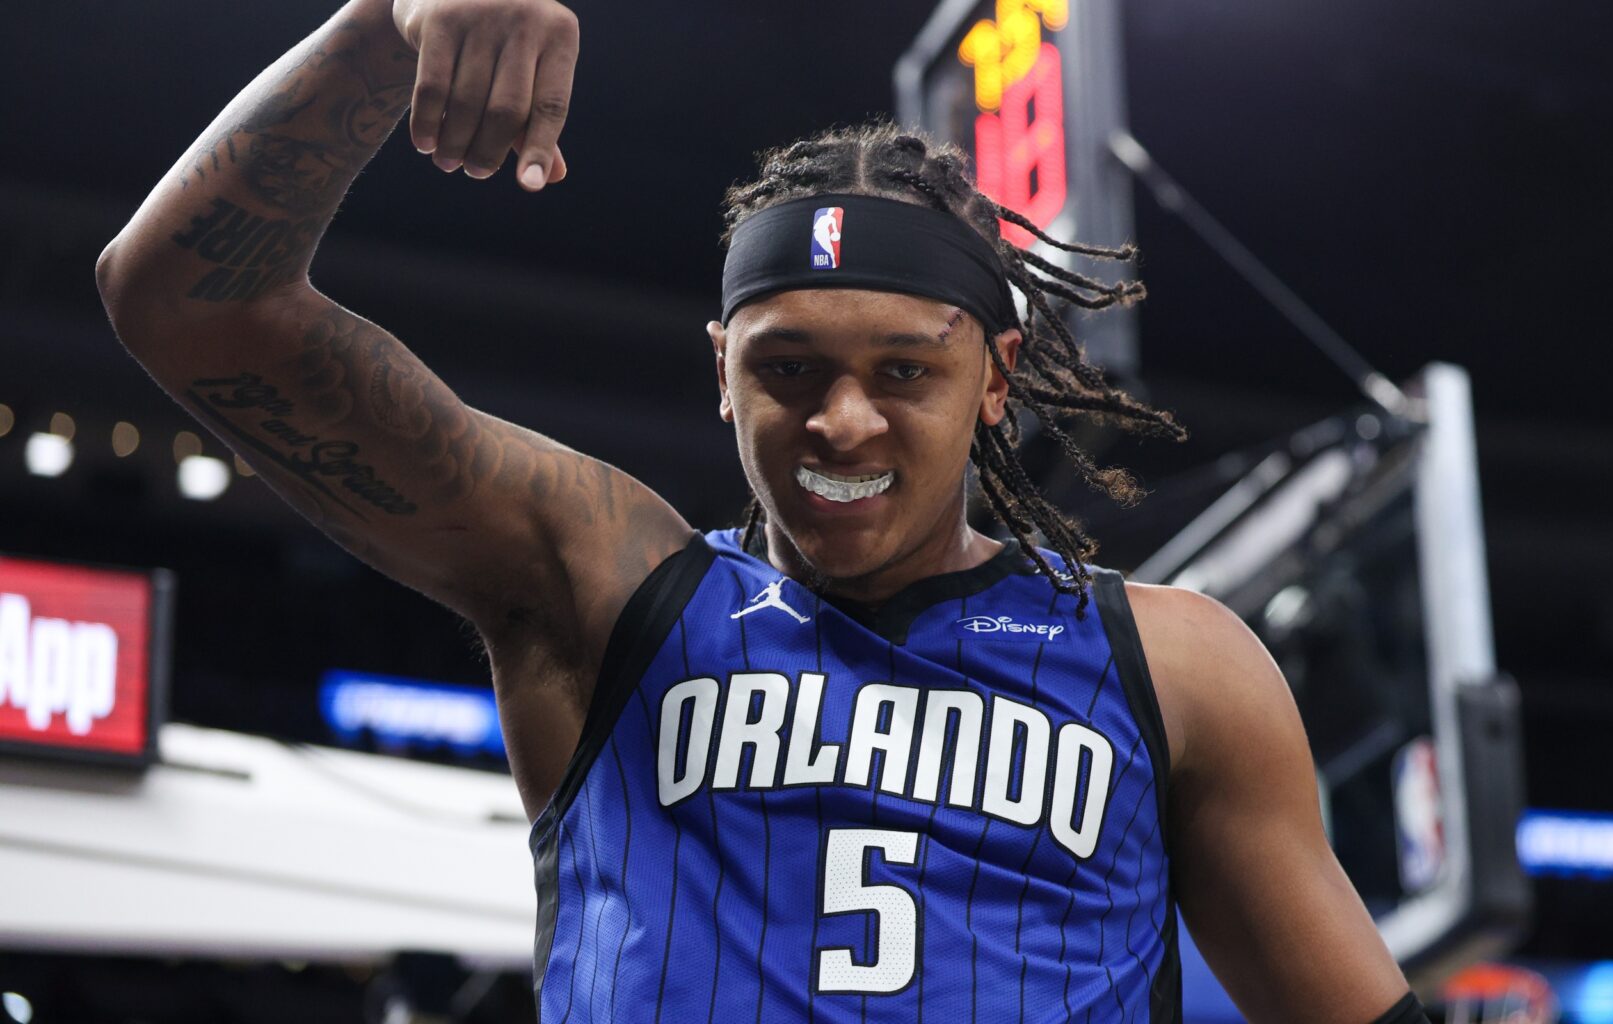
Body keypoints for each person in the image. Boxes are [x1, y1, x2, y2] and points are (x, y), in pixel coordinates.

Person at [93, 0, 1428, 1020]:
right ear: (721, 375)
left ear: (996, 382)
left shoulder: (1176, 666)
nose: (844, 420)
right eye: (790, 370)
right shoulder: (606, 586)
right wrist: (388, 25)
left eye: (904, 371)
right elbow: (184, 304)